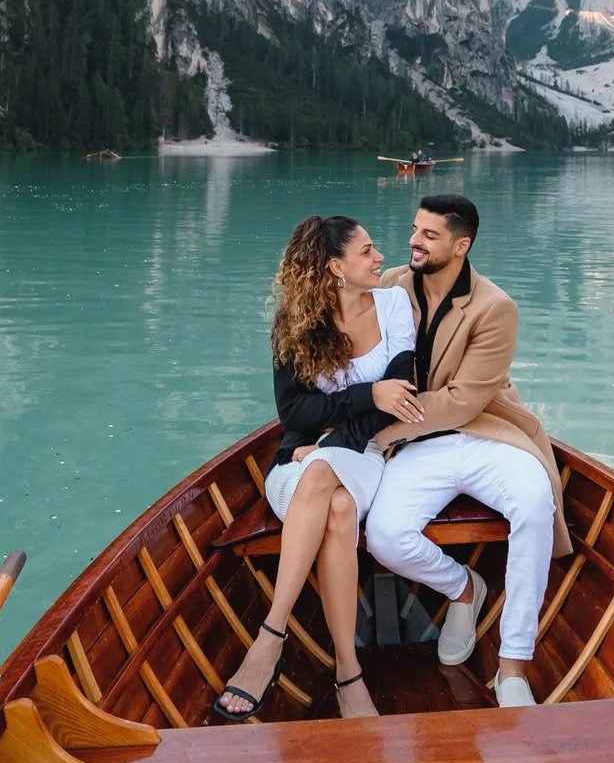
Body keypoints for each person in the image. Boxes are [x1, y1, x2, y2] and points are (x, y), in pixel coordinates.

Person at [212, 214, 424, 722]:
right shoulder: (296, 322)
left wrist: (341, 433)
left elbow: (401, 395)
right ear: (335, 267)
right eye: (368, 251)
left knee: (327, 472)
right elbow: (294, 415)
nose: (380, 258)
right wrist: (365, 396)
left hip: (365, 455)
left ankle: (270, 636)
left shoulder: (395, 304)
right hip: (299, 461)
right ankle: (349, 673)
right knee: (337, 501)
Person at [365, 194, 569, 708]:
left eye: (429, 235)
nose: (414, 241)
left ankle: (513, 666)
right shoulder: (389, 285)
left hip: (485, 434)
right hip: (418, 448)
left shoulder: (496, 308)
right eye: (414, 229)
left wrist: (382, 432)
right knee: (385, 537)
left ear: (462, 245)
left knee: (533, 499)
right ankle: (464, 590)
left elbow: (462, 403)